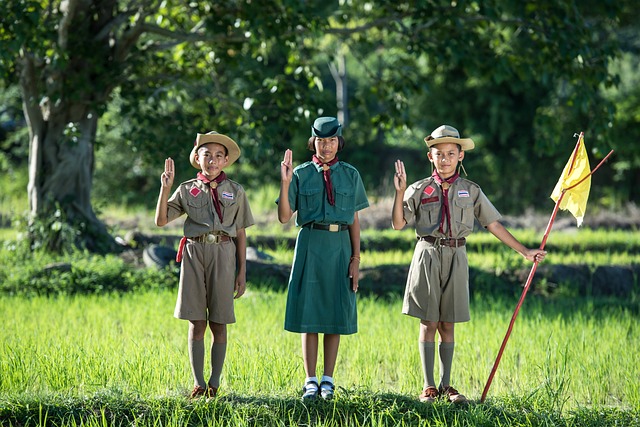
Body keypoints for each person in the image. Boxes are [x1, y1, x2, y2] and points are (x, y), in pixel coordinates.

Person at [391, 124, 546, 404]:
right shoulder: (418, 188)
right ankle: (428, 387)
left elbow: (493, 224)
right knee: (429, 321)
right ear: (430, 157)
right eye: (439, 153)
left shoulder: (471, 190)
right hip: (427, 253)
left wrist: (524, 251)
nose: (445, 159)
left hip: (457, 256)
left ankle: (446, 384)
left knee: (448, 323)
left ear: (461, 155)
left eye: (451, 153)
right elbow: (398, 223)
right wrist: (399, 192)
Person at [155, 131, 254, 399]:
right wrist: (165, 188)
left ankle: (214, 383)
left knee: (219, 323)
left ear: (225, 161)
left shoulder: (236, 190)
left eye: (218, 156)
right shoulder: (186, 189)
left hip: (224, 253)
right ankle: (198, 383)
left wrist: (241, 271)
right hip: (194, 253)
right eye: (206, 155)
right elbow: (161, 221)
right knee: (197, 322)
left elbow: (241, 233)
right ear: (197, 158)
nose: (212, 160)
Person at [278, 116, 369, 400]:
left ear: (339, 142)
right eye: (320, 141)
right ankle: (310, 380)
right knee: (310, 312)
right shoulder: (301, 173)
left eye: (331, 141)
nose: (326, 146)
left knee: (334, 312)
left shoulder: (351, 175)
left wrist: (355, 258)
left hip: (340, 244)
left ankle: (328, 380)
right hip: (310, 243)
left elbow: (353, 219)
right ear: (312, 142)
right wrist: (284, 182)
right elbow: (283, 216)